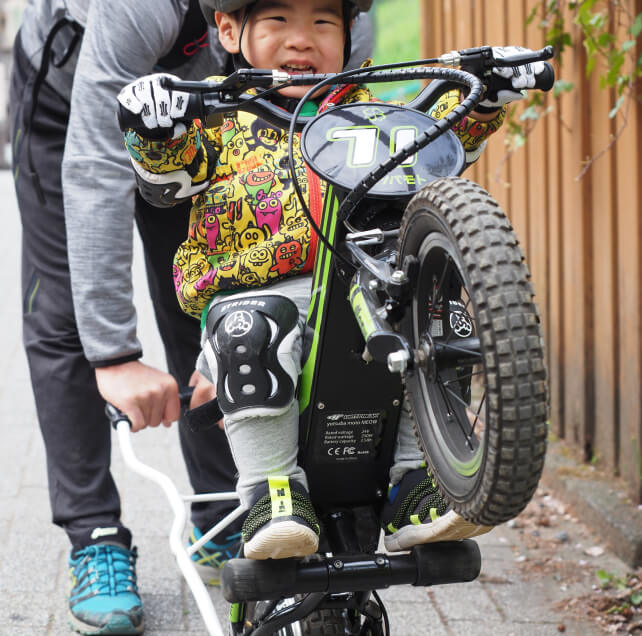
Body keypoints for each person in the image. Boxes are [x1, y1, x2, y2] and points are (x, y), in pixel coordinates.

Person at [119, 0, 544, 562]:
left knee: (440, 315)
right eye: (278, 22)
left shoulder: (370, 113)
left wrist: (485, 93)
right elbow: (168, 174)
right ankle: (274, 491)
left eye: (324, 23)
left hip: (368, 287)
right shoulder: (215, 118)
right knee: (248, 329)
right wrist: (152, 123)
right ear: (227, 29)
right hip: (263, 295)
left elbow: (440, 139)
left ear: (349, 33)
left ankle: (416, 480)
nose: (302, 40)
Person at [9, 0, 373, 634]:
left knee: (221, 283)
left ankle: (223, 515)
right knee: (72, 319)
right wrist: (116, 355)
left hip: (218, 114)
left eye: (321, 18)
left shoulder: (345, 19)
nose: (308, 32)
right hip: (74, 101)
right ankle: (95, 535)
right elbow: (97, 159)